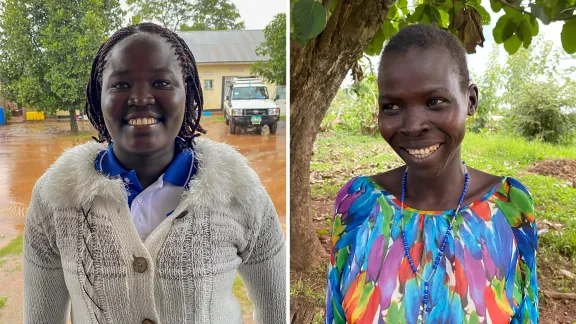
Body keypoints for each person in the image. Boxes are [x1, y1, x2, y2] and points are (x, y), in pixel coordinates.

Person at [23, 23, 285, 324]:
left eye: (161, 83)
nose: (141, 98)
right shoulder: (55, 198)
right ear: (99, 97)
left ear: (187, 92)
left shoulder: (240, 192)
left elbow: (276, 308)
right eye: (121, 85)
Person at [325, 24, 537, 324]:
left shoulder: (509, 206)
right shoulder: (358, 204)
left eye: (434, 101)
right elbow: (335, 312)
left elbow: (525, 315)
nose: (412, 125)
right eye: (392, 106)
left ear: (471, 101)